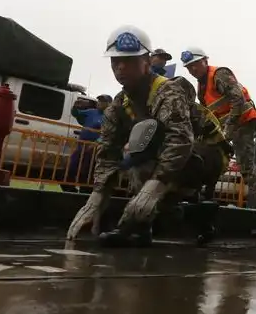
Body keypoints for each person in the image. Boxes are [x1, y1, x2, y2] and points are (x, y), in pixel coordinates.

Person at [66, 25, 221, 246]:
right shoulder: (119, 105)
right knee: (136, 156)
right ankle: (148, 226)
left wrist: (153, 188)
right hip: (175, 157)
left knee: (144, 159)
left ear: (147, 62)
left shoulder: (168, 91)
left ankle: (147, 223)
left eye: (129, 61)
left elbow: (180, 140)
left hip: (208, 155)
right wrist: (97, 198)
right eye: (115, 61)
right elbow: (108, 151)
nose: (120, 67)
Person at [180, 47, 256, 237]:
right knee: (208, 159)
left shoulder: (219, 75)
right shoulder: (201, 86)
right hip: (225, 127)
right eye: (189, 67)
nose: (193, 69)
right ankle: (205, 209)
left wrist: (228, 128)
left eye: (195, 65)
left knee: (246, 167)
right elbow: (210, 112)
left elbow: (238, 99)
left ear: (205, 61)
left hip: (243, 123)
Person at [63, 94, 112, 191]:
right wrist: (75, 107)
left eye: (102, 101)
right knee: (71, 167)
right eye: (99, 101)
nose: (99, 103)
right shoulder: (91, 112)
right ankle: (69, 189)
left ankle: (84, 192)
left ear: (109, 104)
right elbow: (76, 114)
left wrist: (96, 143)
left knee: (86, 172)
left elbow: (108, 134)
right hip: (81, 145)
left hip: (94, 149)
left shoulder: (109, 117)